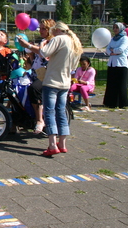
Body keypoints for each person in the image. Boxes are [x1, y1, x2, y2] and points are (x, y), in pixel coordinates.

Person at [18, 21, 83, 157]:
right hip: (65, 83)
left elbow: (43, 53)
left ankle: (52, 144)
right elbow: (73, 66)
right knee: (61, 112)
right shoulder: (74, 42)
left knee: (49, 112)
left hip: (52, 82)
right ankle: (62, 144)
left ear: (57, 30)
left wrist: (27, 45)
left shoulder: (58, 39)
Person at [28, 19, 56, 134]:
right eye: (40, 28)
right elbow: (36, 61)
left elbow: (46, 58)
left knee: (34, 89)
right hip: (36, 73)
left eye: (44, 28)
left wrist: (38, 48)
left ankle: (40, 120)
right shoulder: (43, 41)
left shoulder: (52, 42)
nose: (41, 31)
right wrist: (31, 55)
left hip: (47, 75)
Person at [103, 22, 128, 109]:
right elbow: (107, 49)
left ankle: (122, 103)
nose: (115, 29)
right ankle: (110, 102)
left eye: (117, 28)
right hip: (112, 63)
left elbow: (121, 49)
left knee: (121, 84)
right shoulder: (113, 39)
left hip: (121, 64)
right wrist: (112, 52)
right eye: (114, 27)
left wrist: (113, 51)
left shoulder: (124, 38)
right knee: (111, 84)